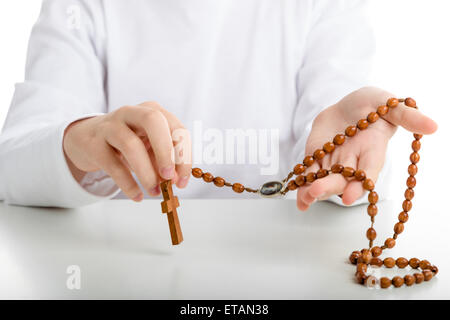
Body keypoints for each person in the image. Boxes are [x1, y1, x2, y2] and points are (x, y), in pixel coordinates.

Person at [0, 0, 437, 209]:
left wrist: (355, 145)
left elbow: (338, 134)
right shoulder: (79, 8)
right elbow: (12, 166)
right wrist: (77, 140)